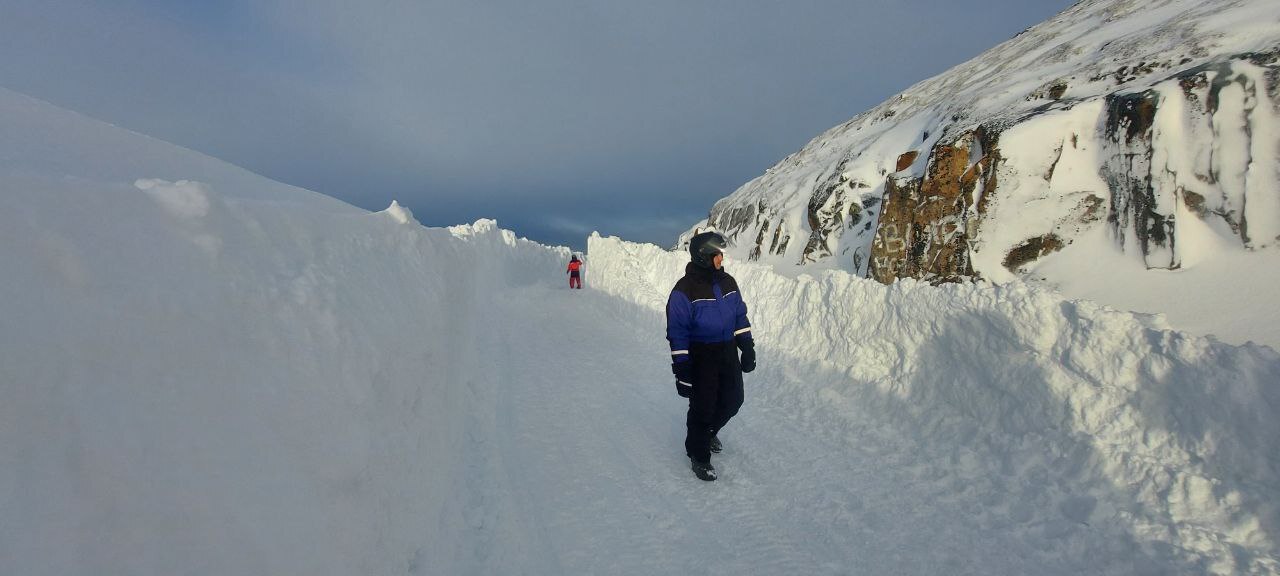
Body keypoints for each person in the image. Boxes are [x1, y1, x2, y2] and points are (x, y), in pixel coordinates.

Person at [665, 231, 756, 481]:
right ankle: (699, 455)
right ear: (704, 256)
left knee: (733, 399)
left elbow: (739, 317)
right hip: (701, 355)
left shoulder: (728, 282)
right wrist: (682, 370)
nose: (721, 258)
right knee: (703, 407)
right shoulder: (683, 291)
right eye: (717, 254)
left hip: (727, 350)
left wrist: (747, 347)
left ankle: (709, 432)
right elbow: (677, 333)